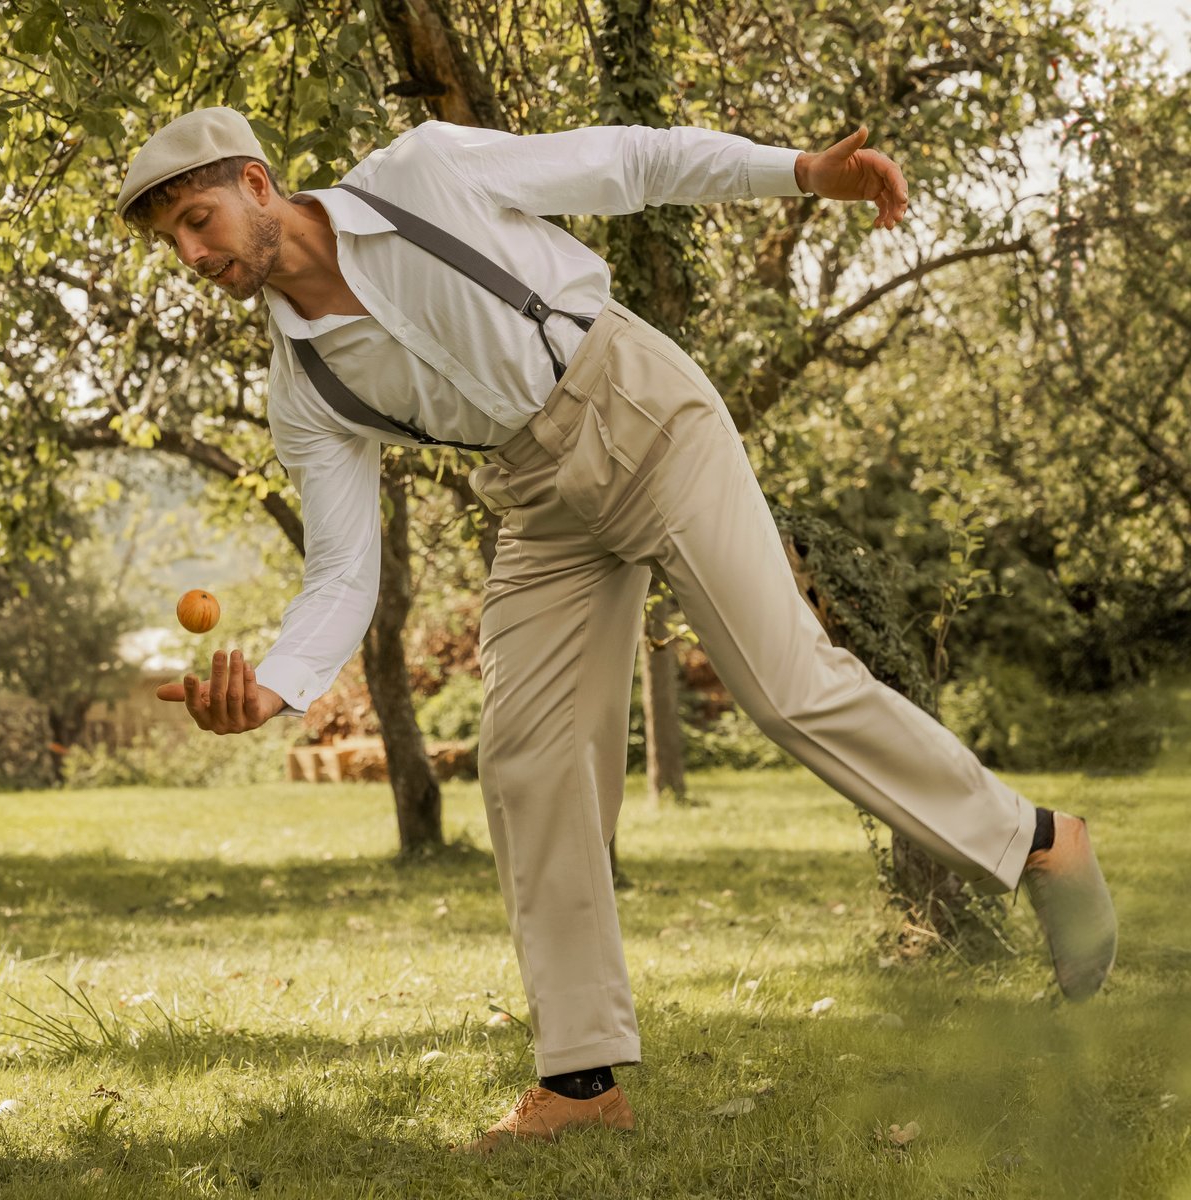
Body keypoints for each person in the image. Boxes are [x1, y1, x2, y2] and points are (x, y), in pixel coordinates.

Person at [120, 107, 1117, 1154]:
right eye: (173, 242)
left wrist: (803, 174)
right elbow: (341, 568)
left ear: (260, 184)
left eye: (200, 217)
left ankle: (1042, 843)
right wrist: (276, 686)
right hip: (538, 498)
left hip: (639, 409)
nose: (193, 254)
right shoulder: (304, 386)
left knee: (786, 686)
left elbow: (628, 161)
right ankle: (582, 1079)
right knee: (524, 760)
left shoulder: (421, 175)